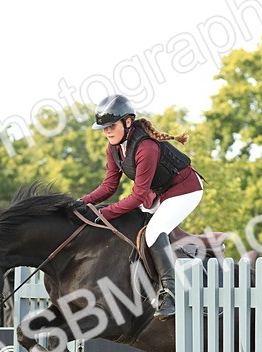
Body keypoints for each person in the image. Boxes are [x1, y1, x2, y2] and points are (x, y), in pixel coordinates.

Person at [78, 93, 202, 320]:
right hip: (160, 192)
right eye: (103, 128)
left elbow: (137, 196)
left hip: (186, 189)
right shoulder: (114, 148)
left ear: (127, 122)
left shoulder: (146, 147)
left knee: (154, 232)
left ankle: (171, 293)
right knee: (135, 225)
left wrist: (104, 213)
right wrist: (82, 203)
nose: (107, 132)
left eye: (111, 126)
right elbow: (109, 186)